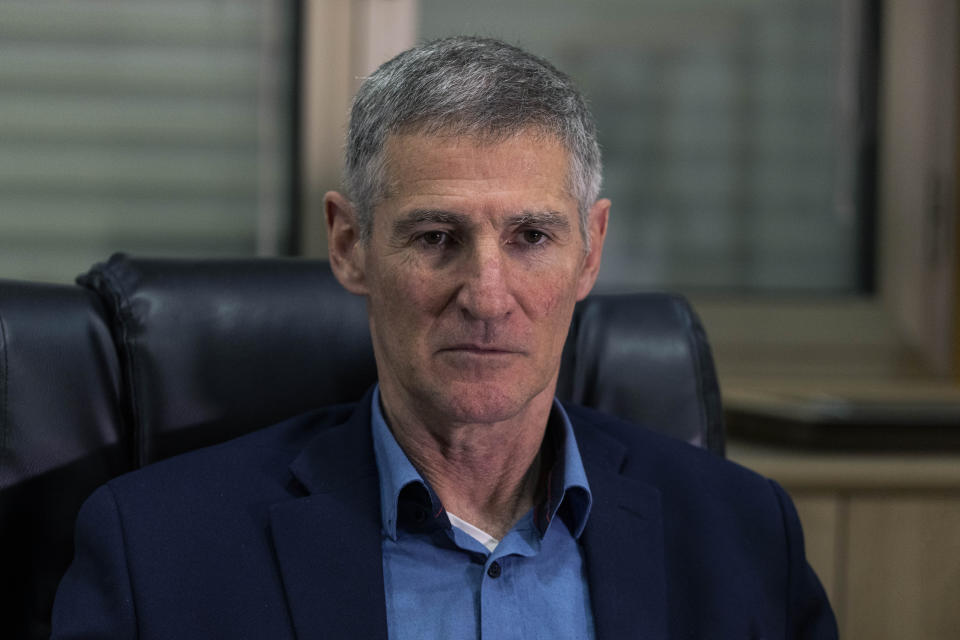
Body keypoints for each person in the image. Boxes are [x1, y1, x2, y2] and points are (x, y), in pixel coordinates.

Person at [52, 36, 837, 639]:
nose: (487, 297)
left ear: (590, 251)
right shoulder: (159, 547)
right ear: (350, 244)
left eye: (531, 236)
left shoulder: (742, 532)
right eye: (435, 236)